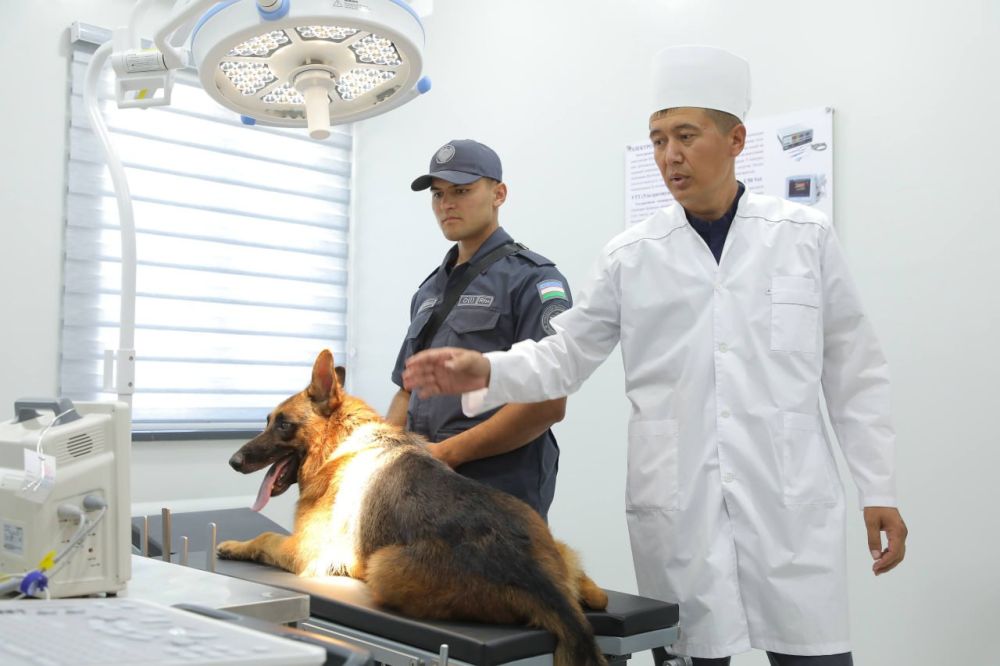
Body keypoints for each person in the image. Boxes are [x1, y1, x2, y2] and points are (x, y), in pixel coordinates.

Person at [402, 47, 907, 665]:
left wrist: (877, 488)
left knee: (813, 656)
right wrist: (488, 368)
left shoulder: (804, 237)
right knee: (693, 651)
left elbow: (853, 371)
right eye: (658, 140)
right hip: (680, 505)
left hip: (790, 498)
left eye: (686, 136)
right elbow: (567, 354)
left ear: (736, 140)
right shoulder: (632, 255)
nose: (670, 155)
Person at [387, 139, 573, 521]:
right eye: (438, 194)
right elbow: (407, 389)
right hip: (424, 485)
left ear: (498, 194)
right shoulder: (428, 291)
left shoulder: (534, 280)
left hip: (497, 489)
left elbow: (548, 403)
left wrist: (446, 454)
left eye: (461, 191)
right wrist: (384, 458)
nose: (446, 204)